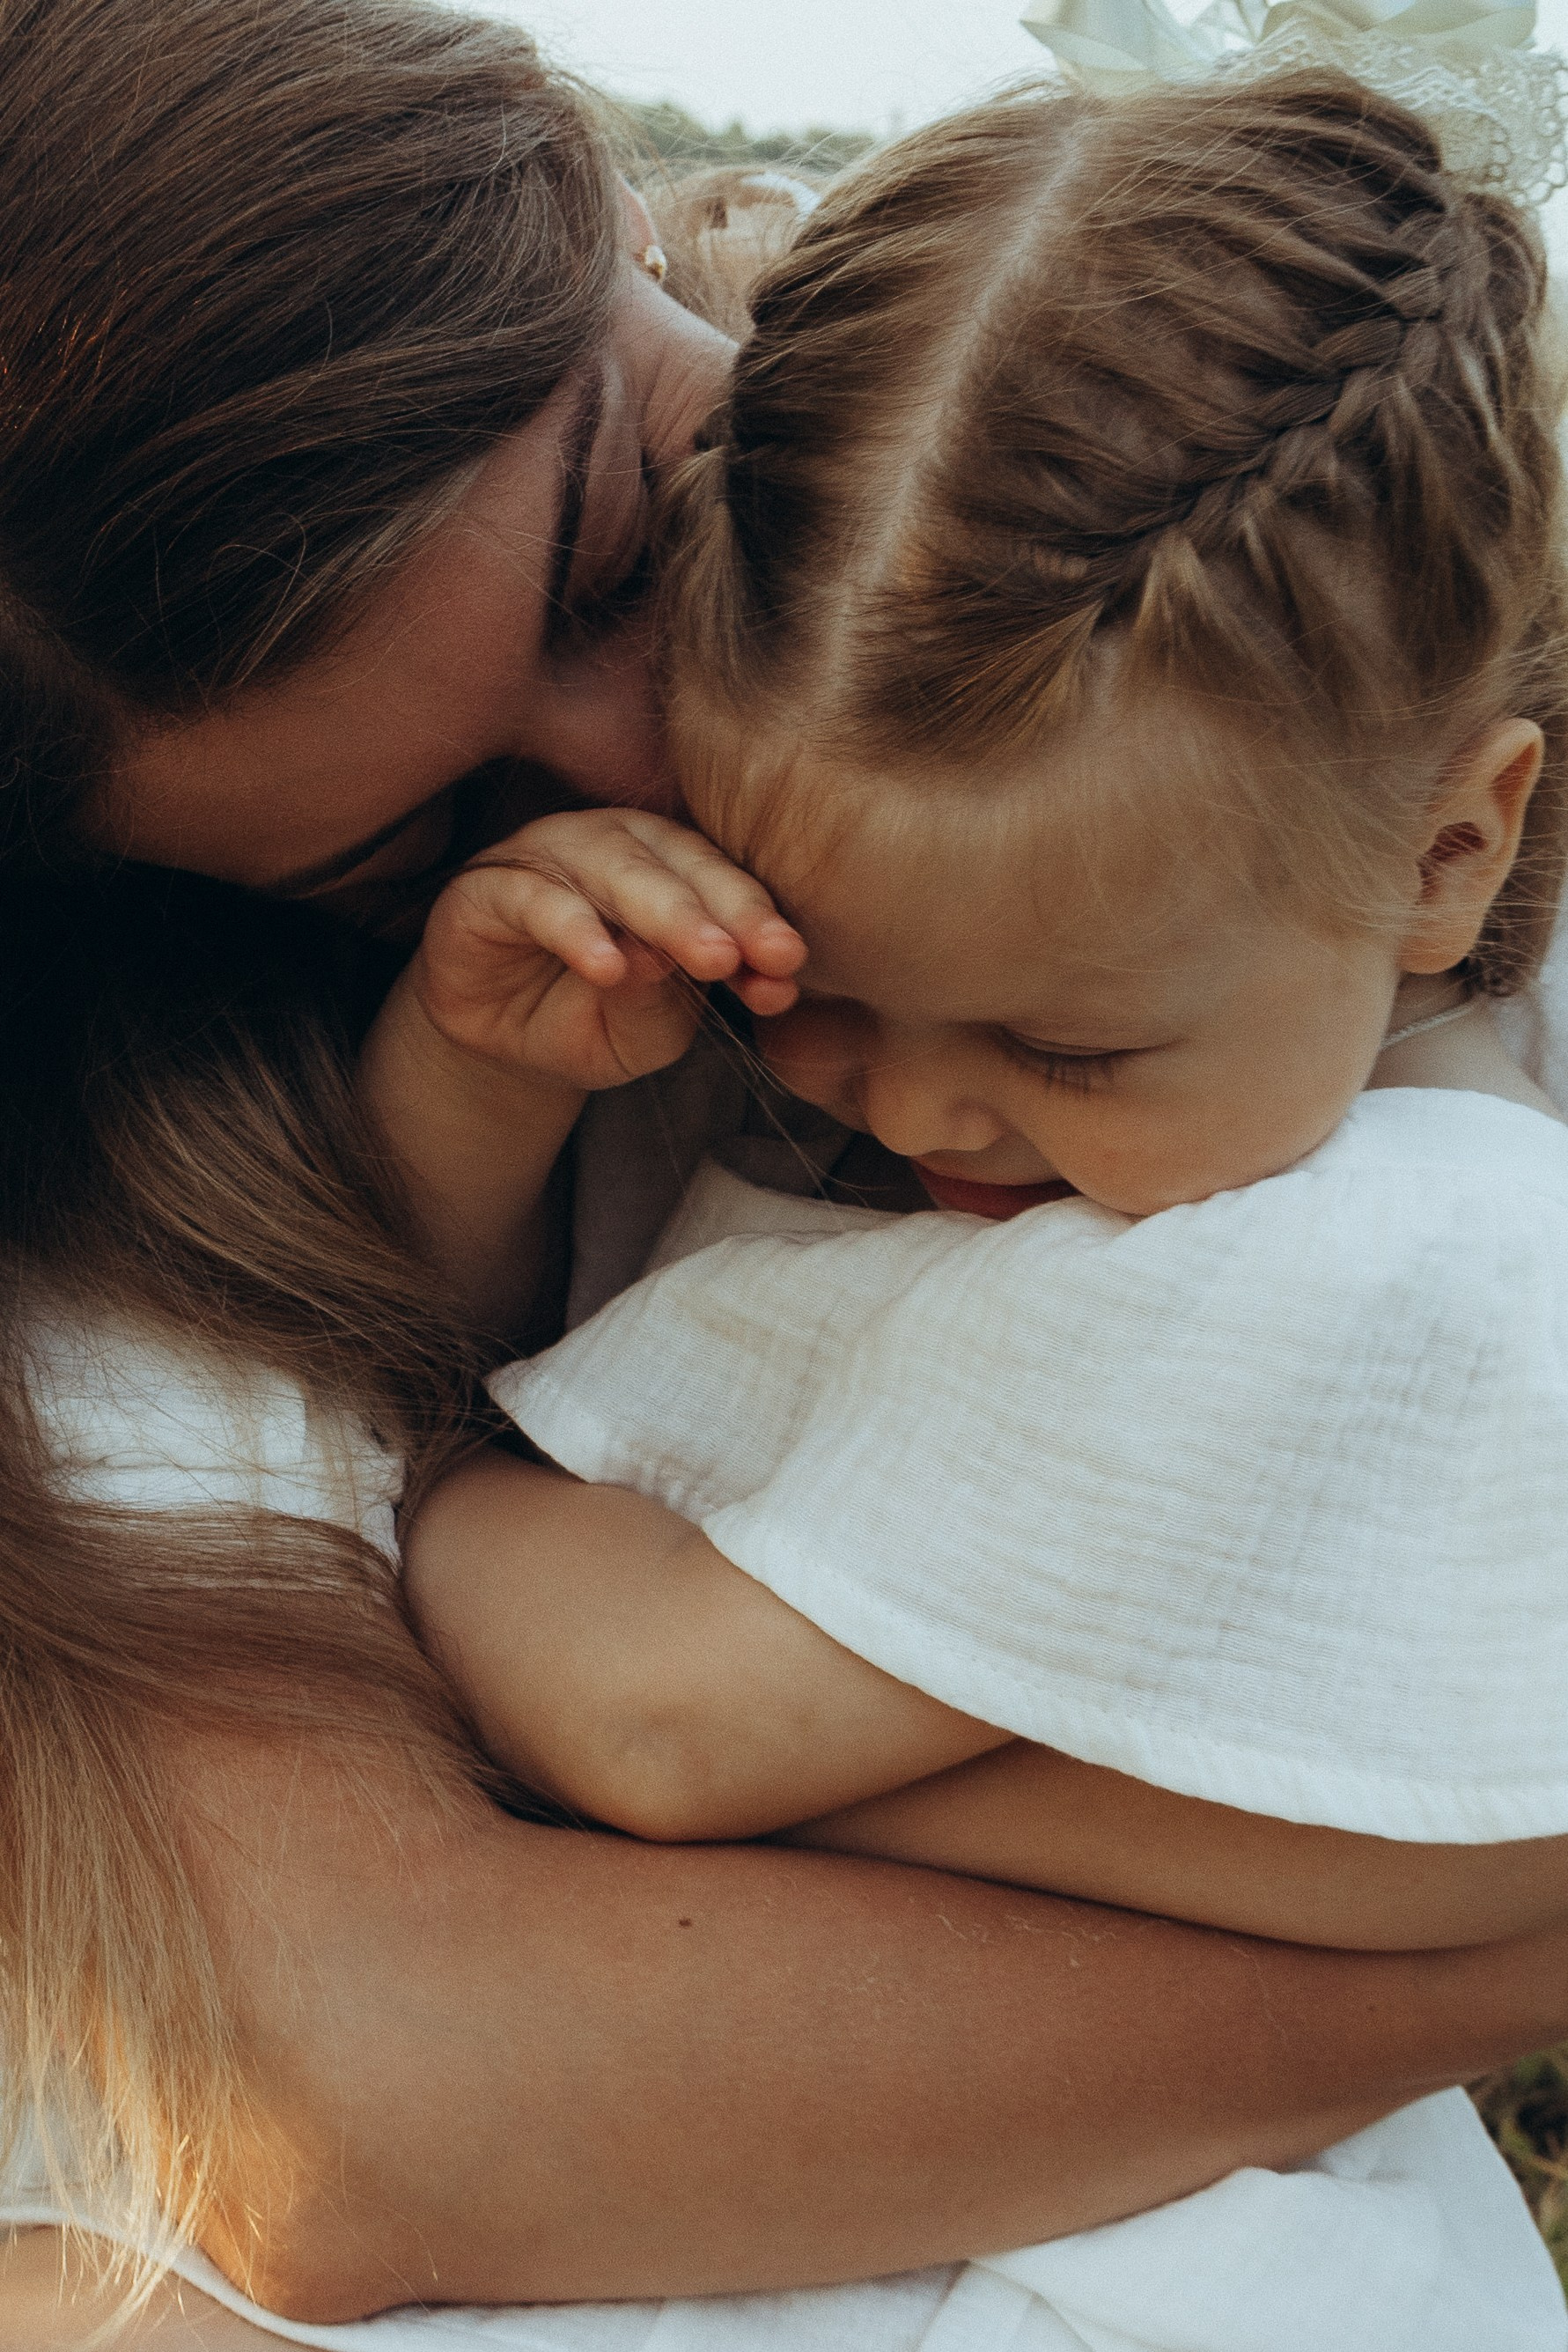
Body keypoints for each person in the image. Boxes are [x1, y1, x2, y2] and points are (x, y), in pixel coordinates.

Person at [2, 4, 1568, 2345]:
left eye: (631, 541)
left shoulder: (1240, 708)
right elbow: (364, 2111)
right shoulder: (163, 1158)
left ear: (621, 218)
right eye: (410, 841)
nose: (667, 763)